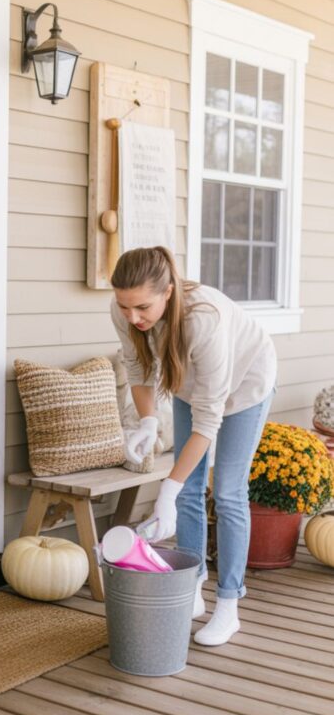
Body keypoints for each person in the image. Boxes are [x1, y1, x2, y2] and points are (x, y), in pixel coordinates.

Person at [111, 246, 276, 646]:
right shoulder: (125, 309)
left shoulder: (206, 319)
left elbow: (209, 419)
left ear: (168, 291)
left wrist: (166, 489)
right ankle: (193, 587)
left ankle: (228, 605)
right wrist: (148, 420)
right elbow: (136, 368)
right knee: (187, 493)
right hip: (192, 387)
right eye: (125, 306)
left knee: (229, 491)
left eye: (142, 307)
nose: (133, 317)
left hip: (246, 384)